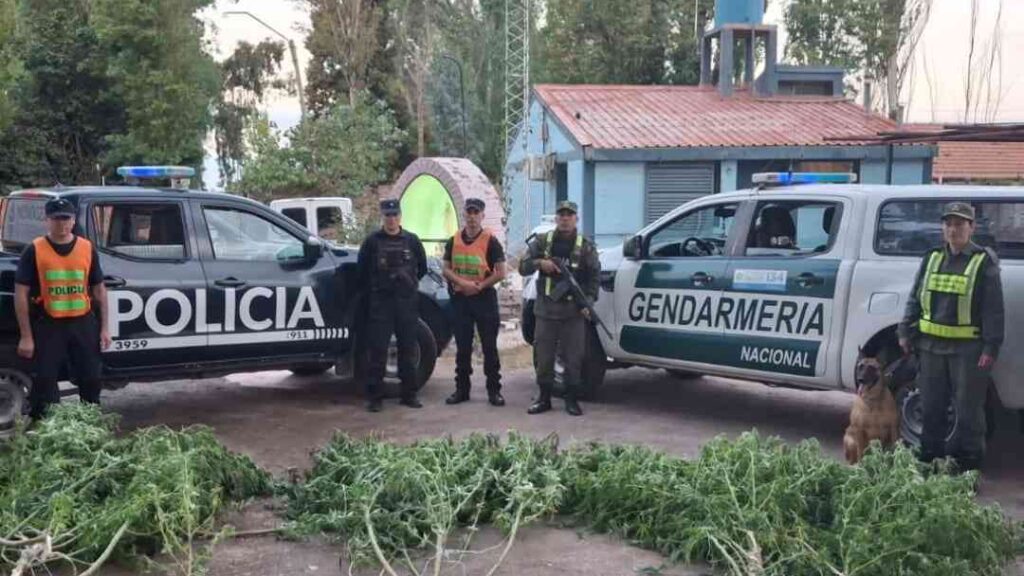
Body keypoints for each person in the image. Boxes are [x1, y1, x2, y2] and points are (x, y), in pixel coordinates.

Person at [898, 201, 1004, 472]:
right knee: (931, 409)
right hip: (931, 348)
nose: (953, 229)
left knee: (969, 414)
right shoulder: (932, 257)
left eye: (959, 224)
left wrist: (990, 348)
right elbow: (915, 298)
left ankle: (968, 469)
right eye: (948, 224)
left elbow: (994, 308)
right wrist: (905, 331)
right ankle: (928, 462)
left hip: (967, 351)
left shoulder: (983, 261)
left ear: (972, 227)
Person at [14, 197, 111, 419]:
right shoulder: (34, 250)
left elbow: (99, 291)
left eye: (66, 218)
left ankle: (89, 425)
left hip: (83, 323)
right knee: (45, 382)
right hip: (49, 324)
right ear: (46, 221)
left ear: (74, 220)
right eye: (56, 219)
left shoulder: (86, 248)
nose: (61, 224)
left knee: (91, 379)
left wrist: (105, 328)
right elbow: (21, 294)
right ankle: (49, 430)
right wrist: (26, 336)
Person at [518, 200, 600, 416]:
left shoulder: (586, 247)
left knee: (574, 358)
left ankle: (571, 400)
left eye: (569, 215)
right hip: (546, 312)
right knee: (544, 358)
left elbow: (594, 278)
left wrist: (588, 302)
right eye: (561, 215)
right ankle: (544, 398)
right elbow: (522, 267)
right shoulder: (543, 242)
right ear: (556, 218)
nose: (565, 218)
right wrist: (540, 264)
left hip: (573, 314)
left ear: (576, 219)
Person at [357, 199, 428, 412]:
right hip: (382, 302)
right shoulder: (372, 241)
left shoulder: (412, 241)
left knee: (407, 349)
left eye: (395, 215)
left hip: (406, 303)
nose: (391, 219)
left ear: (400, 216)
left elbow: (421, 268)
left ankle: (409, 395)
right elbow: (362, 272)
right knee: (378, 350)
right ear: (383, 217)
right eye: (388, 215)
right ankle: (375, 398)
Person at [442, 198, 506, 407]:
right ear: (464, 215)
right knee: (462, 348)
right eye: (468, 213)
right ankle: (461, 390)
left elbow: (501, 272)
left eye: (475, 213)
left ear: (482, 216)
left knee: (489, 347)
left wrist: (479, 286)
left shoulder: (491, 241)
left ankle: (494, 391)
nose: (471, 217)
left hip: (484, 298)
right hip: (461, 299)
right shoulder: (454, 240)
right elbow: (446, 268)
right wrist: (462, 283)